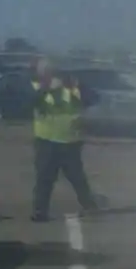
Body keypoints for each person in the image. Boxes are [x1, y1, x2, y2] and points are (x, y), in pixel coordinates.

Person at [30, 57, 100, 222]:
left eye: (52, 72)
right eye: (45, 72)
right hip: (46, 140)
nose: (49, 75)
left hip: (70, 141)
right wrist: (46, 90)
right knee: (44, 179)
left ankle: (88, 204)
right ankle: (40, 211)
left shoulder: (72, 87)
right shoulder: (35, 88)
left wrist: (76, 85)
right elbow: (28, 102)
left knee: (77, 177)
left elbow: (93, 98)